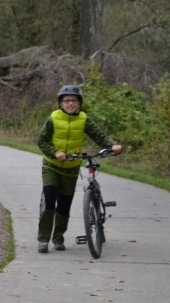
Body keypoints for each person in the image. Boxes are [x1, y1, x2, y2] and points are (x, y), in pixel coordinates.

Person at [36, 85, 122, 253]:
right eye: (66, 101)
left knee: (64, 205)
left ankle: (58, 238)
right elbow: (41, 141)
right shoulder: (53, 118)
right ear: (60, 104)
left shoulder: (83, 119)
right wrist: (55, 152)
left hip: (71, 167)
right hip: (51, 166)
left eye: (74, 101)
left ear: (80, 104)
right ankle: (43, 239)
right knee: (49, 203)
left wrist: (112, 145)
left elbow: (99, 135)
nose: (70, 104)